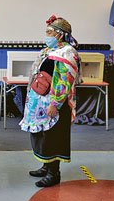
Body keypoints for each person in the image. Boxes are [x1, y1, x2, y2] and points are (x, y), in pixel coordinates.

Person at [20, 14, 81, 187]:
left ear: (60, 35)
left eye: (49, 32)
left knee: (53, 137)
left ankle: (54, 173)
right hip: (40, 103)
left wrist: (56, 103)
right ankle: (46, 166)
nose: (46, 35)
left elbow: (65, 80)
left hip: (55, 105)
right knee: (41, 135)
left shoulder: (68, 53)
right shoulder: (48, 51)